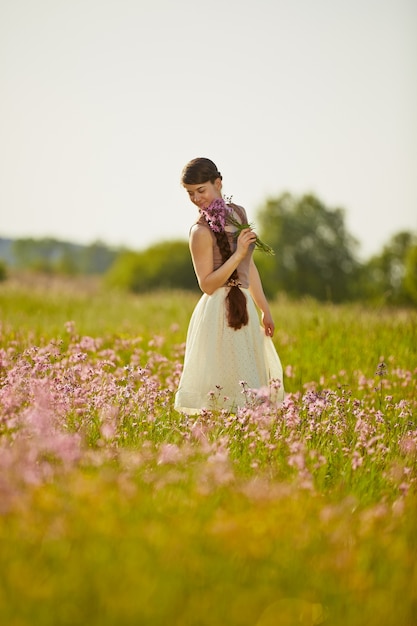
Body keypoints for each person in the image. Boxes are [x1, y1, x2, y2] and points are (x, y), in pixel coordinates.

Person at [174, 157, 284, 414]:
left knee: (247, 388)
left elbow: (249, 268)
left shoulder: (238, 214)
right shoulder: (199, 232)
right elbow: (208, 285)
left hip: (243, 307)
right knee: (219, 393)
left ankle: (241, 444)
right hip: (217, 313)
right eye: (190, 193)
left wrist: (265, 309)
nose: (196, 198)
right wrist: (237, 254)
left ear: (218, 183)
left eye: (201, 190)